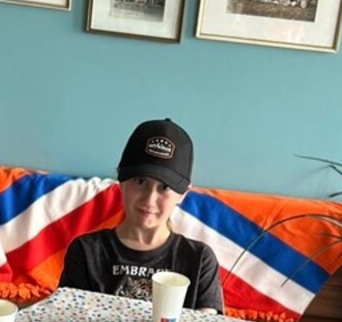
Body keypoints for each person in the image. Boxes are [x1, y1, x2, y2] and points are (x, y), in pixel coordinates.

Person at [58, 118, 224, 311]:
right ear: (121, 180)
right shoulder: (86, 251)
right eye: (140, 181)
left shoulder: (200, 260)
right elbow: (67, 321)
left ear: (183, 193)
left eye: (164, 187)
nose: (149, 199)